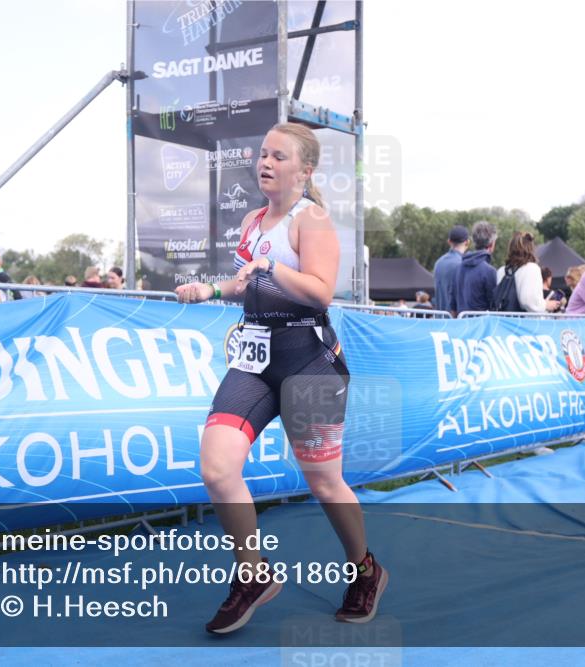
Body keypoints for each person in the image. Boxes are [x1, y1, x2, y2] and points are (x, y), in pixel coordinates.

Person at [174, 122, 387, 633]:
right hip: (253, 356)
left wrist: (269, 269)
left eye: (278, 157)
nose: (265, 163)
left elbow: (320, 291)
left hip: (307, 359)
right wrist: (211, 290)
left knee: (323, 481)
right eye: (262, 154)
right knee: (217, 467)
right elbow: (246, 283)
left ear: (304, 171)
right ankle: (253, 575)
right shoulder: (251, 220)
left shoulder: (310, 219)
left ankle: (365, 570)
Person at [495, 232, 560, 313]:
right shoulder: (531, 268)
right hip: (523, 322)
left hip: (502, 320)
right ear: (530, 248)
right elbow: (528, 301)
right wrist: (546, 305)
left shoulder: (502, 270)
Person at [455, 221, 497, 313]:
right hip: (481, 324)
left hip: (463, 323)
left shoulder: (460, 266)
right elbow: (494, 304)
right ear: (492, 244)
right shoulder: (489, 271)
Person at [432, 225, 469, 312]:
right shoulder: (463, 264)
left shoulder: (438, 263)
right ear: (467, 242)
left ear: (449, 241)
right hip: (456, 321)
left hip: (440, 319)